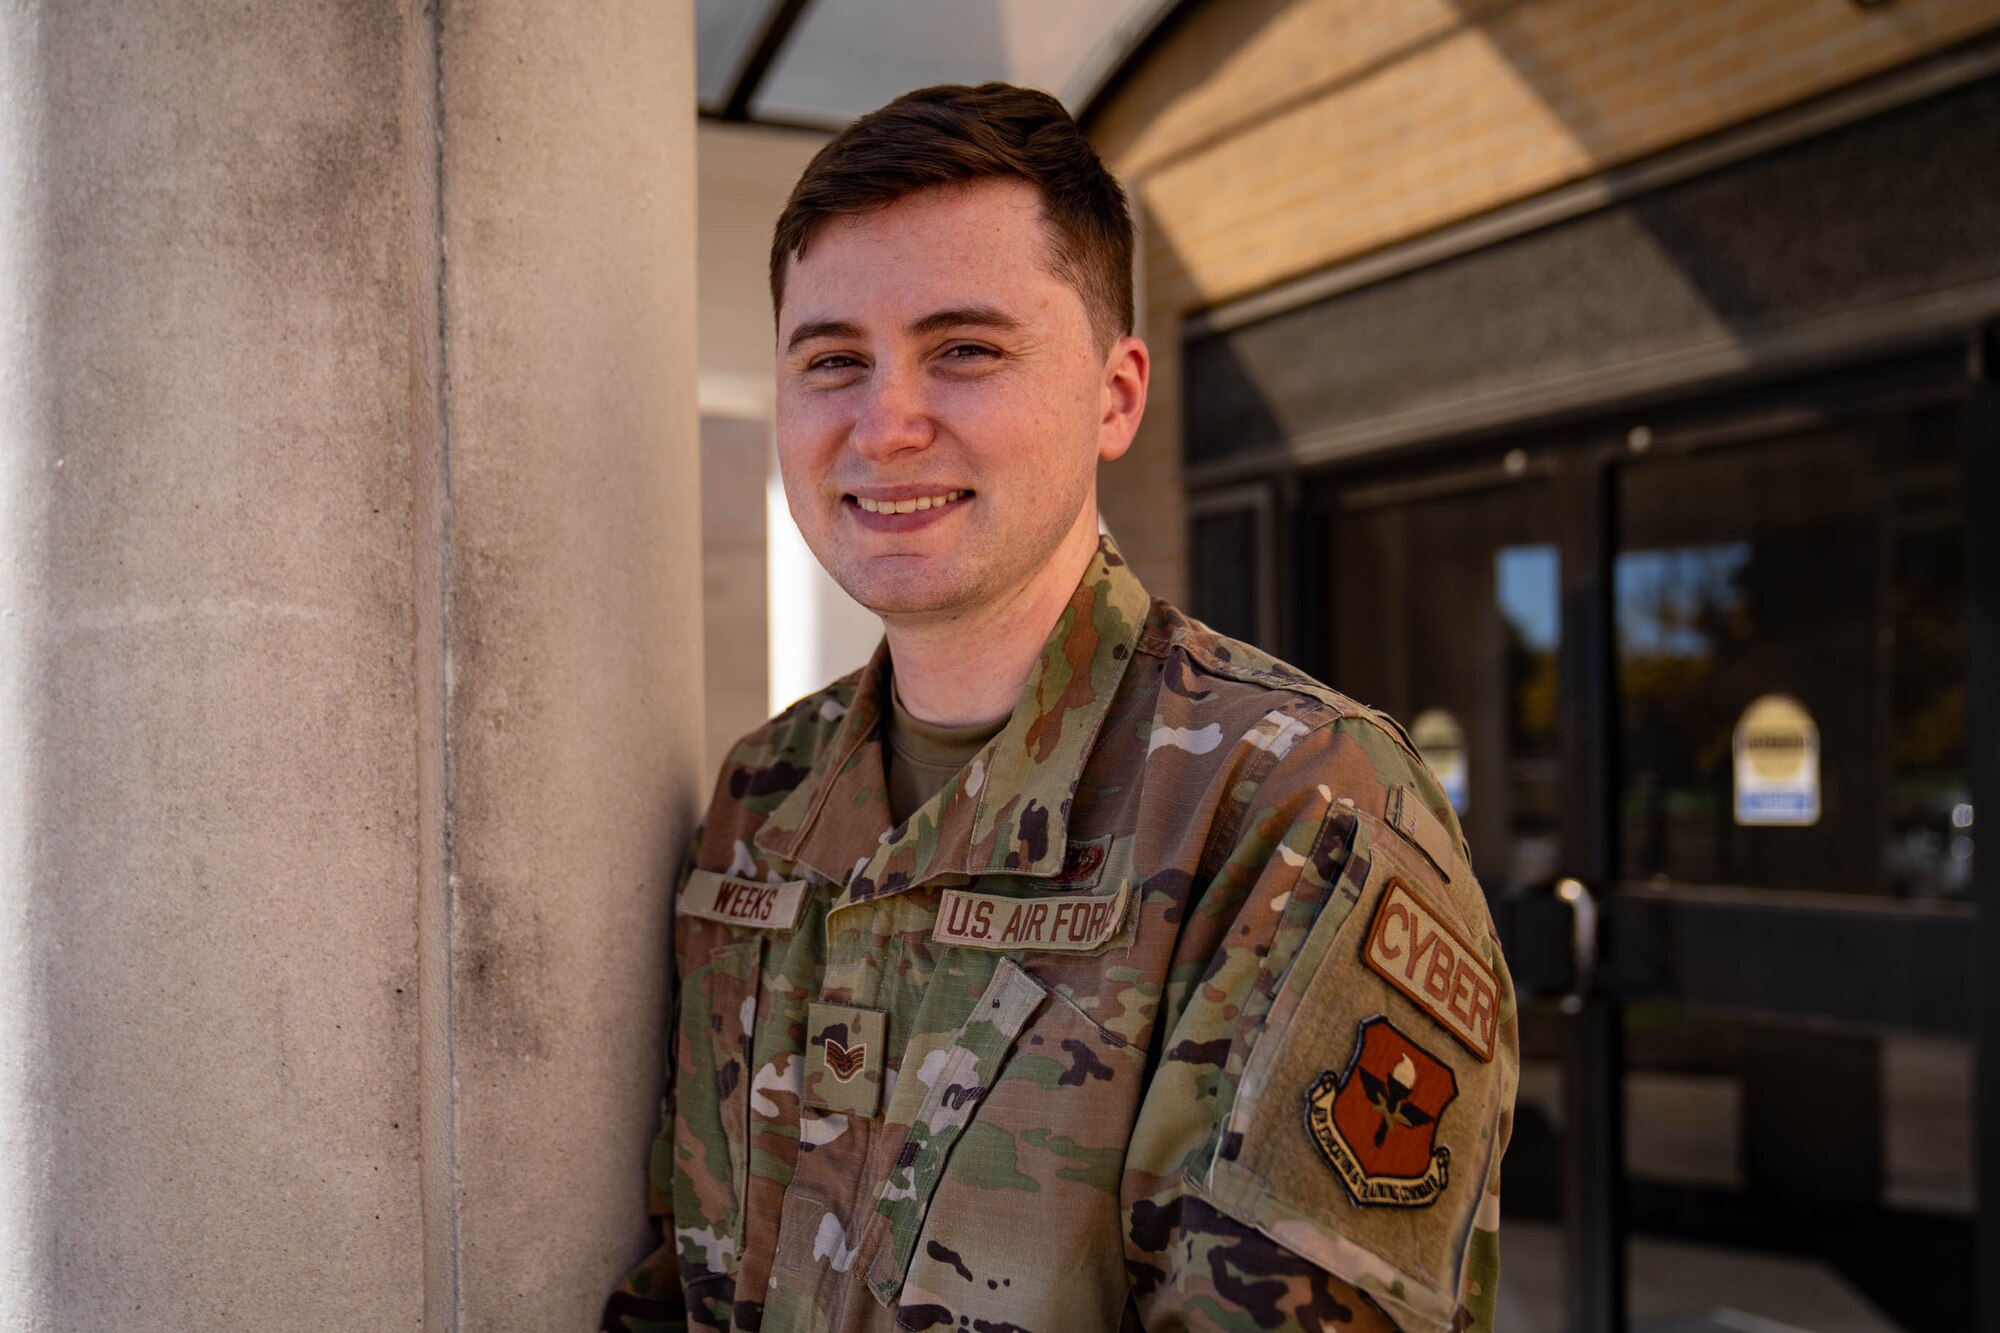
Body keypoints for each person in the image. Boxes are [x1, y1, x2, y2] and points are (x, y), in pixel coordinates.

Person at [603, 83, 1517, 1333]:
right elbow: (678, 1284)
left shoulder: (1295, 804)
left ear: (1115, 394)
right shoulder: (766, 791)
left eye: (964, 348)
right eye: (832, 361)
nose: (884, 422)